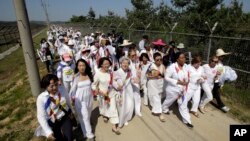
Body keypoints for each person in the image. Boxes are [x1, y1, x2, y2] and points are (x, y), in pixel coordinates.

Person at [36, 74, 73, 141]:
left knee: (69, 138)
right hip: (53, 122)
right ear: (46, 86)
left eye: (56, 84)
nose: (55, 87)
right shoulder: (41, 98)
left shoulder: (62, 89)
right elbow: (41, 116)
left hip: (64, 117)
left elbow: (68, 101)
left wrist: (71, 112)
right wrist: (48, 132)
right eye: (51, 86)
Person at [162, 52, 193, 128]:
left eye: (184, 58)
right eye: (181, 58)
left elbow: (189, 75)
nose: (184, 59)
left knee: (183, 105)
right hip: (173, 89)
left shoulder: (186, 67)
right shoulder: (172, 67)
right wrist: (177, 82)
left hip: (182, 90)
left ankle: (187, 121)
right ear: (177, 59)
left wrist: (188, 80)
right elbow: (166, 77)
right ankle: (164, 109)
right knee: (169, 101)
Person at [92, 57, 120, 135]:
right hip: (103, 96)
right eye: (105, 64)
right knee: (103, 107)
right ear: (101, 65)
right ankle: (104, 115)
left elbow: (115, 81)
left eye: (108, 64)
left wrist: (119, 86)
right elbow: (93, 85)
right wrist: (99, 92)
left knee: (113, 109)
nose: (107, 65)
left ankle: (114, 127)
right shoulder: (98, 74)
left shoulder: (111, 72)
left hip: (111, 94)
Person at [69, 59, 95, 140]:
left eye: (83, 65)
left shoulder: (89, 74)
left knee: (87, 115)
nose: (82, 67)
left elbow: (92, 86)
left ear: (86, 66)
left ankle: (84, 128)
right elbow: (72, 90)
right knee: (85, 116)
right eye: (80, 66)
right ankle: (90, 135)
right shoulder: (76, 77)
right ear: (77, 67)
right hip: (80, 100)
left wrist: (95, 90)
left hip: (89, 98)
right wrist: (72, 99)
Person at [113, 57, 134, 127]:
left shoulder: (129, 72)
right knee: (122, 107)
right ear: (120, 64)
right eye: (123, 63)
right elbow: (113, 81)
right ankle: (122, 120)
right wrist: (117, 86)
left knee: (129, 105)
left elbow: (132, 80)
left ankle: (127, 118)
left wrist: (135, 81)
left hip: (129, 91)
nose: (125, 64)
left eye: (127, 63)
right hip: (121, 92)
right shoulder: (117, 72)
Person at [147, 52, 166, 122]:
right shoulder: (151, 66)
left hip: (160, 84)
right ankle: (160, 113)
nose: (159, 61)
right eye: (157, 60)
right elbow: (147, 75)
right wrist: (154, 76)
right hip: (152, 84)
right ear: (154, 60)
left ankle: (156, 108)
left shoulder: (163, 66)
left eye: (160, 59)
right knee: (156, 98)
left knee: (157, 98)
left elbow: (164, 75)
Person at [213, 48, 231, 112]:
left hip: (217, 80)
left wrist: (221, 83)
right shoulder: (214, 62)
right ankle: (222, 106)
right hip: (213, 79)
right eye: (222, 56)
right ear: (219, 56)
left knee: (215, 92)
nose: (223, 57)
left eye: (223, 56)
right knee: (216, 92)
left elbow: (221, 74)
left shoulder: (220, 63)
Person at [128, 48, 142, 117]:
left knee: (137, 96)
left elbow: (139, 72)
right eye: (132, 55)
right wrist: (132, 79)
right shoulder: (127, 63)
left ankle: (137, 111)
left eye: (135, 55)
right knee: (130, 98)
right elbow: (126, 74)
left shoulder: (137, 62)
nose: (134, 56)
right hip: (129, 82)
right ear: (129, 56)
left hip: (136, 82)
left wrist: (139, 77)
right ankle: (130, 112)